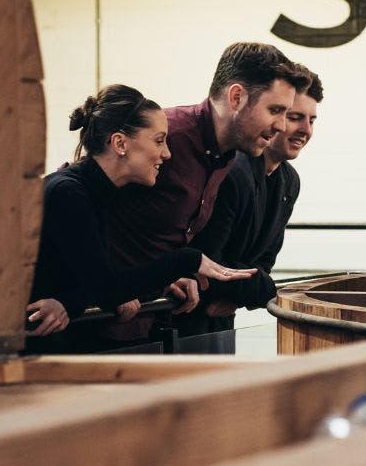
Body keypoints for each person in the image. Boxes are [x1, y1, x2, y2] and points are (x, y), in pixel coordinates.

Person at [26, 84, 254, 353]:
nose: (167, 154)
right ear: (120, 143)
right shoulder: (70, 194)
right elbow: (105, 288)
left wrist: (71, 302)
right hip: (14, 358)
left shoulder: (95, 193)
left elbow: (93, 280)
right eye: (159, 141)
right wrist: (186, 260)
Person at [105, 42, 310, 340]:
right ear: (236, 97)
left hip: (146, 324)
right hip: (94, 326)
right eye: (275, 110)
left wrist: (170, 278)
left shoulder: (223, 157)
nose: (281, 126)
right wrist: (94, 288)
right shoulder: (170, 136)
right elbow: (75, 194)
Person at [182, 66, 323, 334]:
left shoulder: (289, 180)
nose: (304, 129)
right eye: (294, 117)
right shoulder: (232, 171)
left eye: (312, 120)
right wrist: (261, 289)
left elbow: (266, 259)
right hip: (185, 316)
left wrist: (239, 294)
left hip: (223, 316)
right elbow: (210, 261)